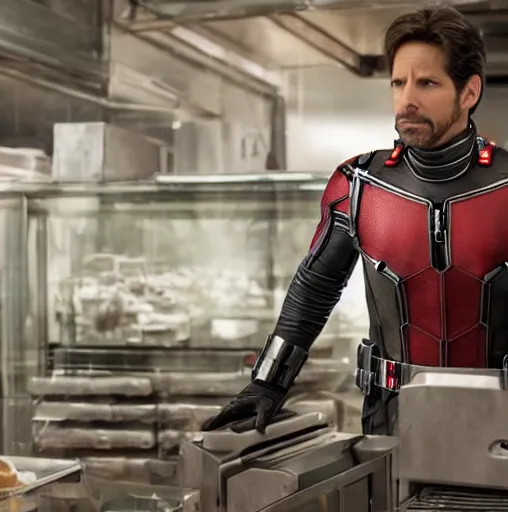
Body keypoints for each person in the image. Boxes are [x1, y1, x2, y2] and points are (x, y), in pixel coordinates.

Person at [202, 6, 499, 436]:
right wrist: (267, 382)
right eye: (398, 82)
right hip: (390, 425)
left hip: (497, 428)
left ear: (469, 92)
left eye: (427, 83)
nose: (406, 99)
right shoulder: (357, 184)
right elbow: (315, 286)